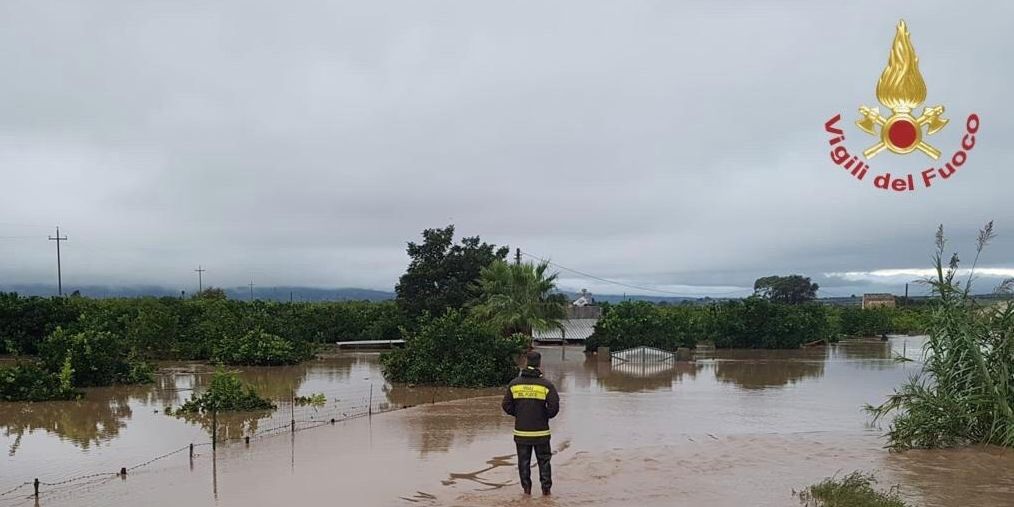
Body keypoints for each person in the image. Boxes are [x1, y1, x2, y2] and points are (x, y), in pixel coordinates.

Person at [501, 350, 560, 496]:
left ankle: (526, 491)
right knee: (544, 461)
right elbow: (554, 408)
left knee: (523, 462)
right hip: (541, 433)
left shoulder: (514, 384)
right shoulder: (547, 385)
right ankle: (546, 491)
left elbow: (506, 405)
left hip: (521, 433)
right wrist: (542, 416)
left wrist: (520, 414)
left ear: (526, 362)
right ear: (539, 363)